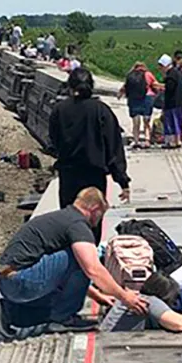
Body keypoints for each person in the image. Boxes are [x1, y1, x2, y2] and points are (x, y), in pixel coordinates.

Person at [0, 188, 148, 338]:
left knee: (57, 303)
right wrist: (125, 297)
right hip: (22, 280)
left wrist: (97, 295)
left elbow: (65, 272)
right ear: (94, 208)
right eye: (101, 214)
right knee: (82, 256)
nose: (99, 220)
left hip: (8, 280)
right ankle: (64, 318)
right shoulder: (77, 225)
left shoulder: (62, 218)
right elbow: (92, 269)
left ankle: (8, 312)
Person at [48, 68, 130, 239]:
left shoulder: (59, 110)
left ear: (70, 86)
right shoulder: (101, 110)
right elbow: (113, 147)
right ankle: (90, 260)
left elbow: (54, 141)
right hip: (94, 176)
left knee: (69, 223)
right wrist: (122, 180)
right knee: (92, 223)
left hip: (68, 174)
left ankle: (72, 260)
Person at [118, 61, 158, 148]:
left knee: (135, 122)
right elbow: (155, 85)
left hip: (133, 99)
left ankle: (136, 141)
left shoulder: (130, 75)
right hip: (147, 98)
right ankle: (147, 140)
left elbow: (125, 87)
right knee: (146, 121)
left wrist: (120, 94)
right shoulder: (148, 74)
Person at [157, 54, 182, 148]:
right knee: (178, 122)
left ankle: (172, 142)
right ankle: (178, 141)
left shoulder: (171, 75)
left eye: (161, 66)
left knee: (172, 123)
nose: (160, 69)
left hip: (173, 103)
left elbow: (170, 88)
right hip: (179, 102)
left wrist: (160, 86)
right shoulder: (177, 73)